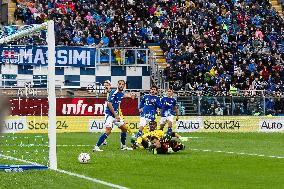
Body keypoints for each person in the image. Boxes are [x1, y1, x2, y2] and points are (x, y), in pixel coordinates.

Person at [93, 80, 133, 151]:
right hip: (110, 115)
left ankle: (123, 146)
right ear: (117, 85)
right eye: (120, 84)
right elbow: (109, 104)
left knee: (124, 128)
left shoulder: (121, 93)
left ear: (124, 86)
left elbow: (125, 95)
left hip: (115, 115)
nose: (121, 85)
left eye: (122, 84)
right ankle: (96, 147)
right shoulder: (113, 92)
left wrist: (131, 95)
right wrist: (116, 115)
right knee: (108, 131)